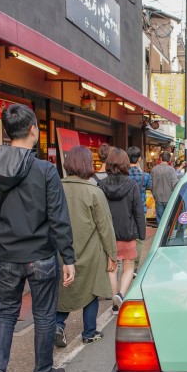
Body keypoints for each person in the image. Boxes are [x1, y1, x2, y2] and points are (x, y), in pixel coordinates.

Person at [0, 103, 75, 372]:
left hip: (6, 253)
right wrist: (68, 257)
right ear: (33, 129)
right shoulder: (45, 170)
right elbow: (58, 218)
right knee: (44, 313)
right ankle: (42, 371)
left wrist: (5, 223)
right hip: (41, 254)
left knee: (5, 313)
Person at [55, 146, 117, 346]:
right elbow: (105, 226)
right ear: (88, 165)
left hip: (61, 250)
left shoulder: (56, 187)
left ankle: (57, 325)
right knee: (91, 288)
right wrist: (111, 254)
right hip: (90, 250)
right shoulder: (94, 191)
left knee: (64, 289)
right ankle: (89, 332)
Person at [100, 147, 146, 314]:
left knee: (111, 269)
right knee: (128, 268)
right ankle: (120, 294)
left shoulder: (101, 185)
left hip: (108, 235)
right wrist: (141, 233)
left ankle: (114, 300)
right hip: (128, 233)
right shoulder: (131, 185)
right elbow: (138, 211)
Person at [127, 146, 151, 271]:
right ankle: (135, 266)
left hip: (126, 210)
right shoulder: (145, 176)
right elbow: (150, 187)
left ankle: (126, 263)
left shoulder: (124, 174)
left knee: (126, 236)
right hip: (141, 210)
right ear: (140, 159)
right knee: (139, 238)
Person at [150, 151, 178, 224]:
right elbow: (174, 184)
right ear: (169, 160)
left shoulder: (154, 169)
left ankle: (161, 234)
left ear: (161, 158)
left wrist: (154, 194)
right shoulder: (171, 170)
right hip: (169, 197)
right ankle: (168, 234)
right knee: (169, 219)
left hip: (158, 197)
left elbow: (151, 185)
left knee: (160, 219)